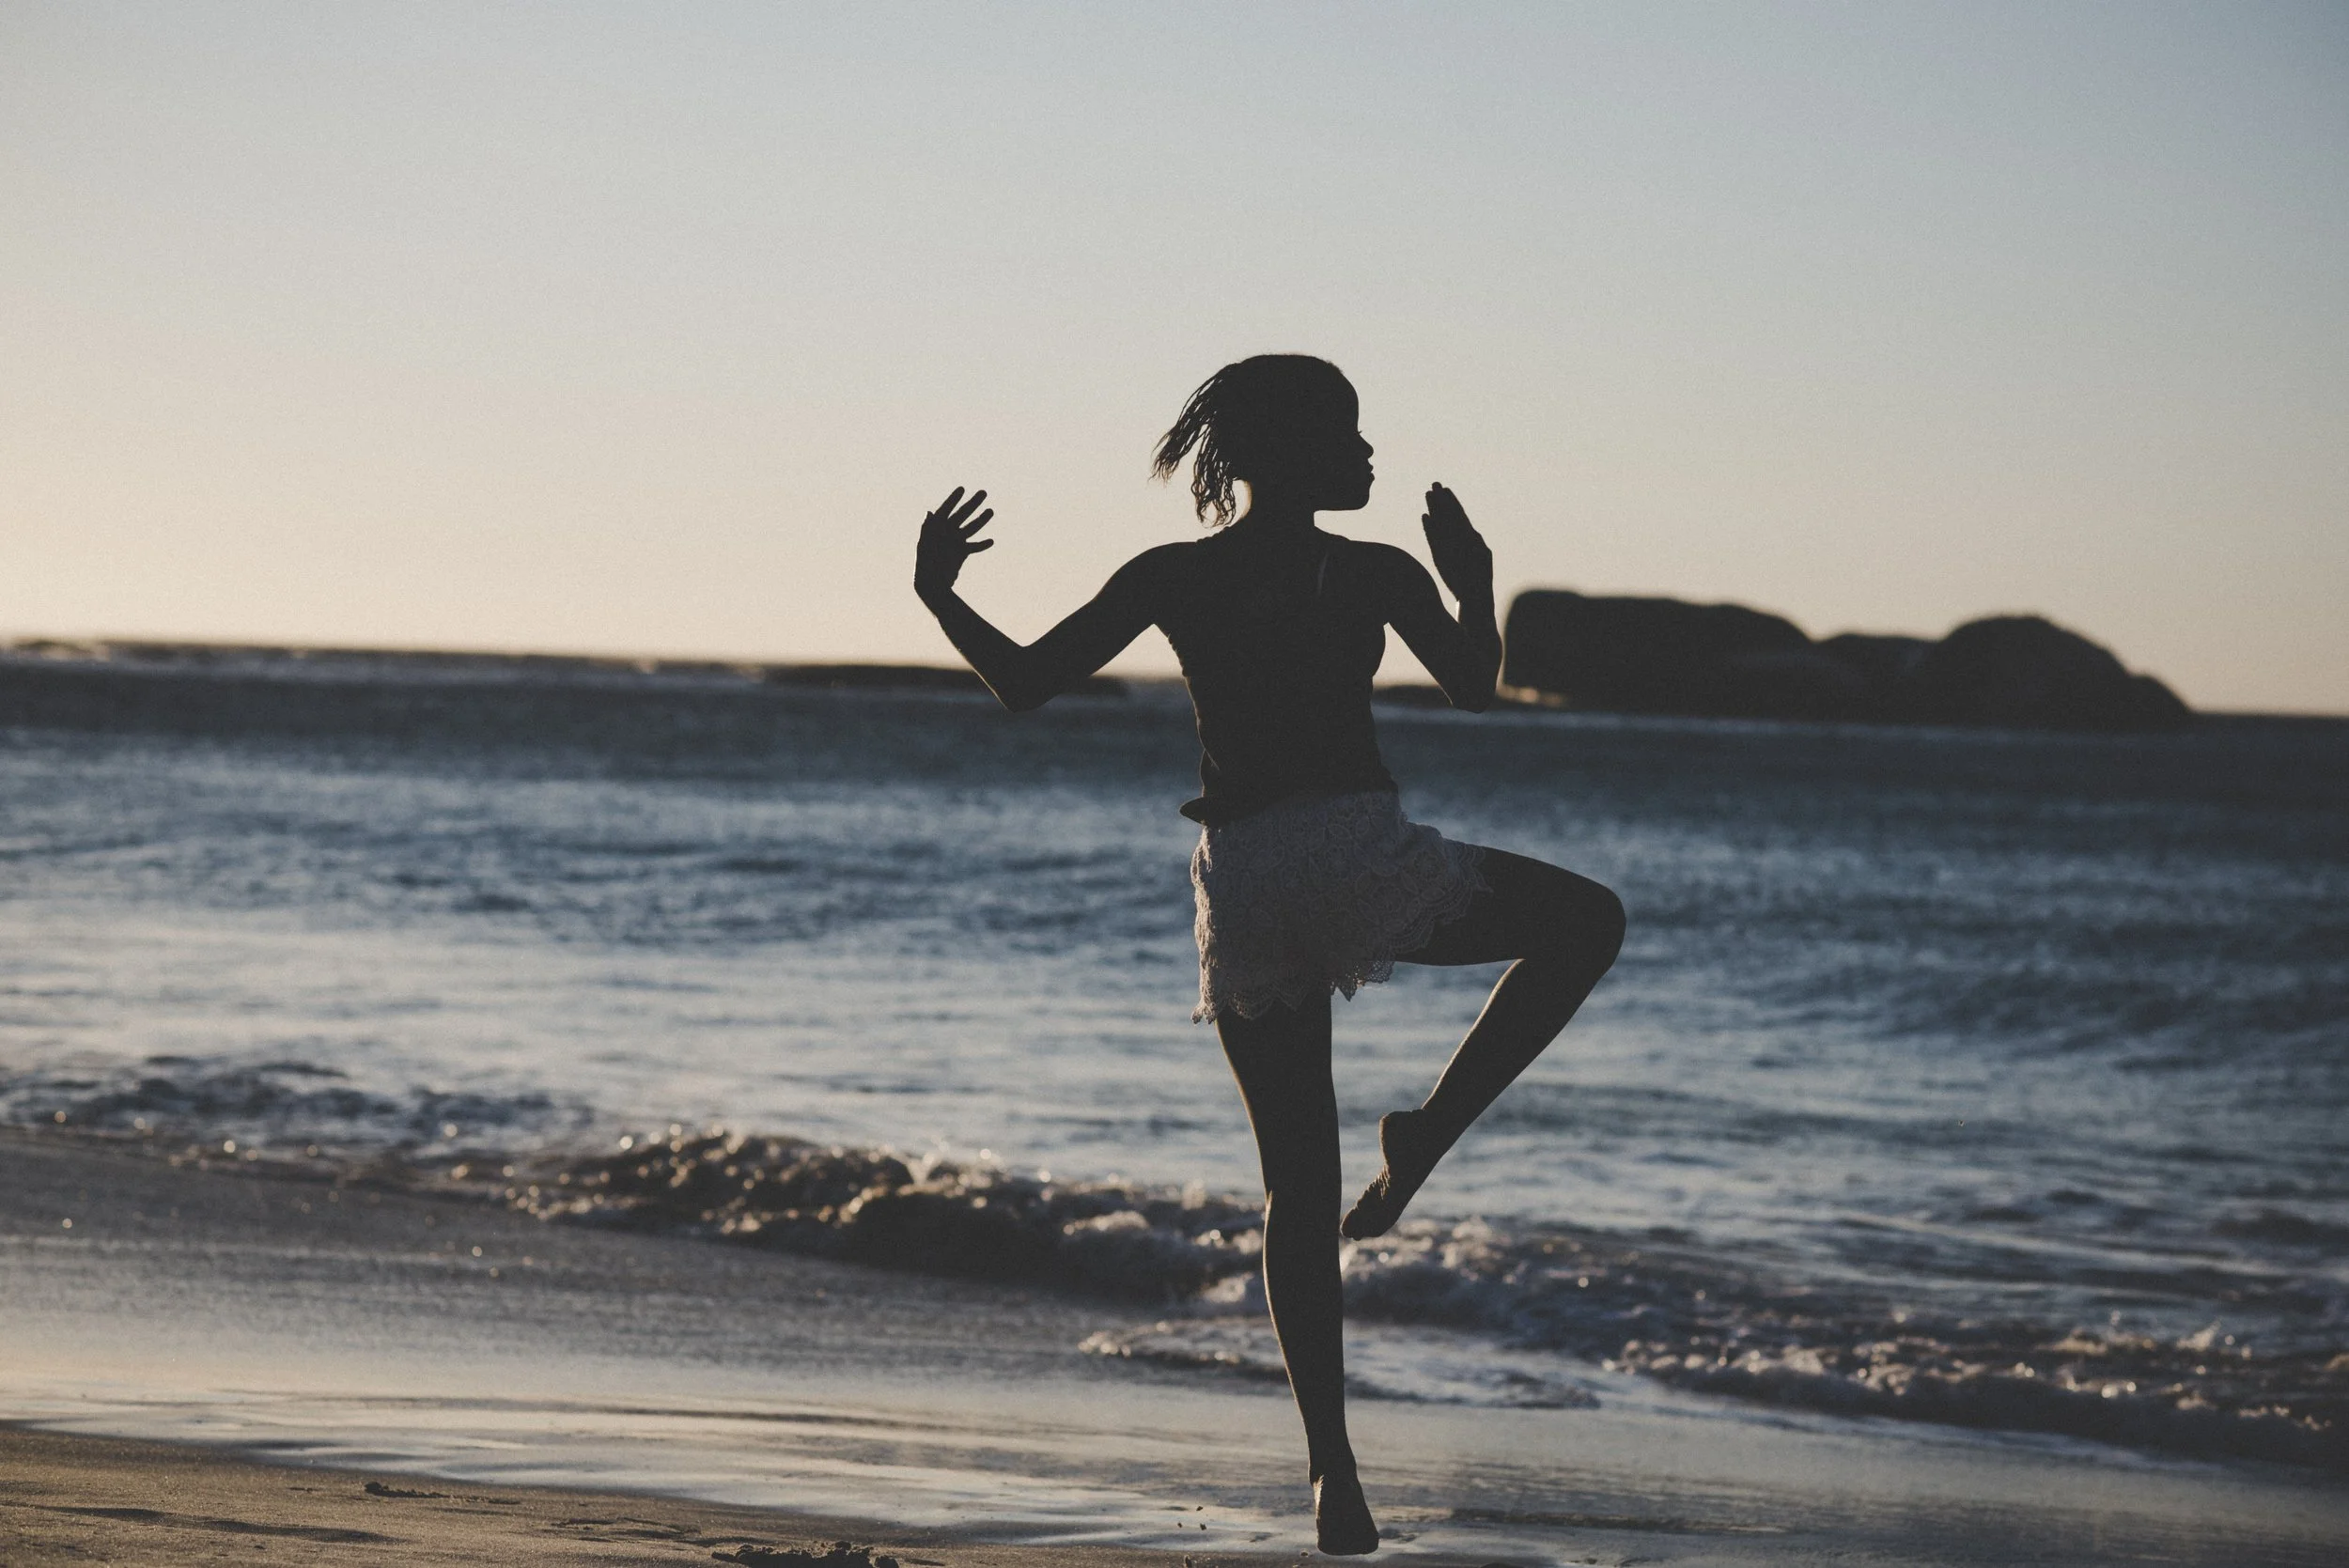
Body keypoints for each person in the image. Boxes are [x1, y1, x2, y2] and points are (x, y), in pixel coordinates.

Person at [914, 354, 1625, 1554]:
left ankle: (1332, 1480)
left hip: (1246, 882)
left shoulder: (1174, 575)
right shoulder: (1374, 570)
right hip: (1358, 855)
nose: (1366, 454)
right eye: (1345, 434)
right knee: (1587, 921)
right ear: (1286, 455)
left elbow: (1028, 683)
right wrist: (1477, 580)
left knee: (1296, 1193)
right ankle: (1427, 1134)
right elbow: (1472, 689)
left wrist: (939, 596)